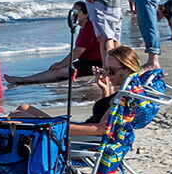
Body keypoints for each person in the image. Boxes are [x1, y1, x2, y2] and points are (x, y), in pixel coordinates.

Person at [9, 46, 141, 137]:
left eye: (111, 71)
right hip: (84, 131)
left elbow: (102, 129)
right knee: (23, 108)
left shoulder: (125, 96)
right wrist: (105, 89)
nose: (107, 74)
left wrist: (62, 127)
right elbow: (105, 114)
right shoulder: (128, 90)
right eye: (105, 69)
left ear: (127, 70)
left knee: (17, 116)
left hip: (85, 139)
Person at [4, 2, 102, 85]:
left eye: (77, 12)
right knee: (60, 69)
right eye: (72, 11)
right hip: (85, 62)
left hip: (93, 65)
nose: (73, 14)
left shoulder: (89, 27)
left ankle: (23, 80)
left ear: (86, 14)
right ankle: (27, 79)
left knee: (58, 70)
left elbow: (78, 51)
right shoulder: (84, 27)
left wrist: (61, 64)